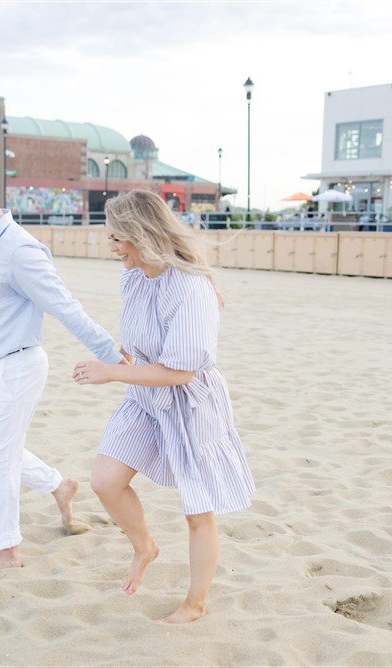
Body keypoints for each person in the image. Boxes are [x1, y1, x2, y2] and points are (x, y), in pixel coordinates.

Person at [73, 190, 255, 624]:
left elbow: (180, 372)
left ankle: (195, 604)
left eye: (118, 238)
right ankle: (144, 547)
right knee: (105, 481)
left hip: (190, 406)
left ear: (142, 235)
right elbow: (141, 343)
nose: (112, 247)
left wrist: (111, 373)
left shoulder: (190, 288)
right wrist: (119, 358)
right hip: (144, 396)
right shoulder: (135, 277)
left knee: (197, 512)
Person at [0, 164, 125, 574]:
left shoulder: (21, 251)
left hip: (17, 366)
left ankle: (8, 551)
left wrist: (113, 359)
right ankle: (60, 486)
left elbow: (65, 307)